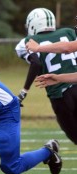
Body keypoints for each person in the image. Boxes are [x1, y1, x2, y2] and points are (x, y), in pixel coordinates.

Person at [15, 8, 77, 145]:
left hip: (60, 95)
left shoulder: (29, 40)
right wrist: (60, 77)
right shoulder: (69, 33)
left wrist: (25, 90)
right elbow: (67, 47)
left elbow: (36, 63)